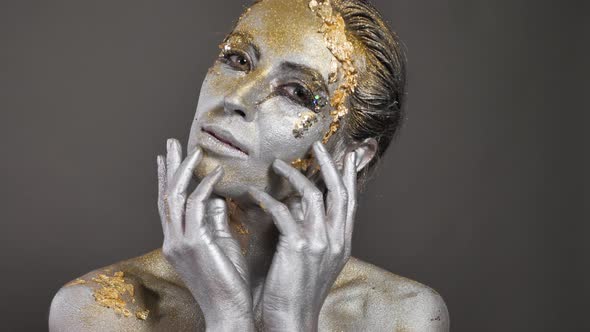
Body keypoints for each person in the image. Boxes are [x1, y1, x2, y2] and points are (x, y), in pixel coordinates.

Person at [49, 0, 449, 330]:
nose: (237, 98)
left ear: (351, 156)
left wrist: (290, 321)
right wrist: (228, 318)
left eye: (296, 92)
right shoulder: (98, 310)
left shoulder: (404, 316)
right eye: (237, 59)